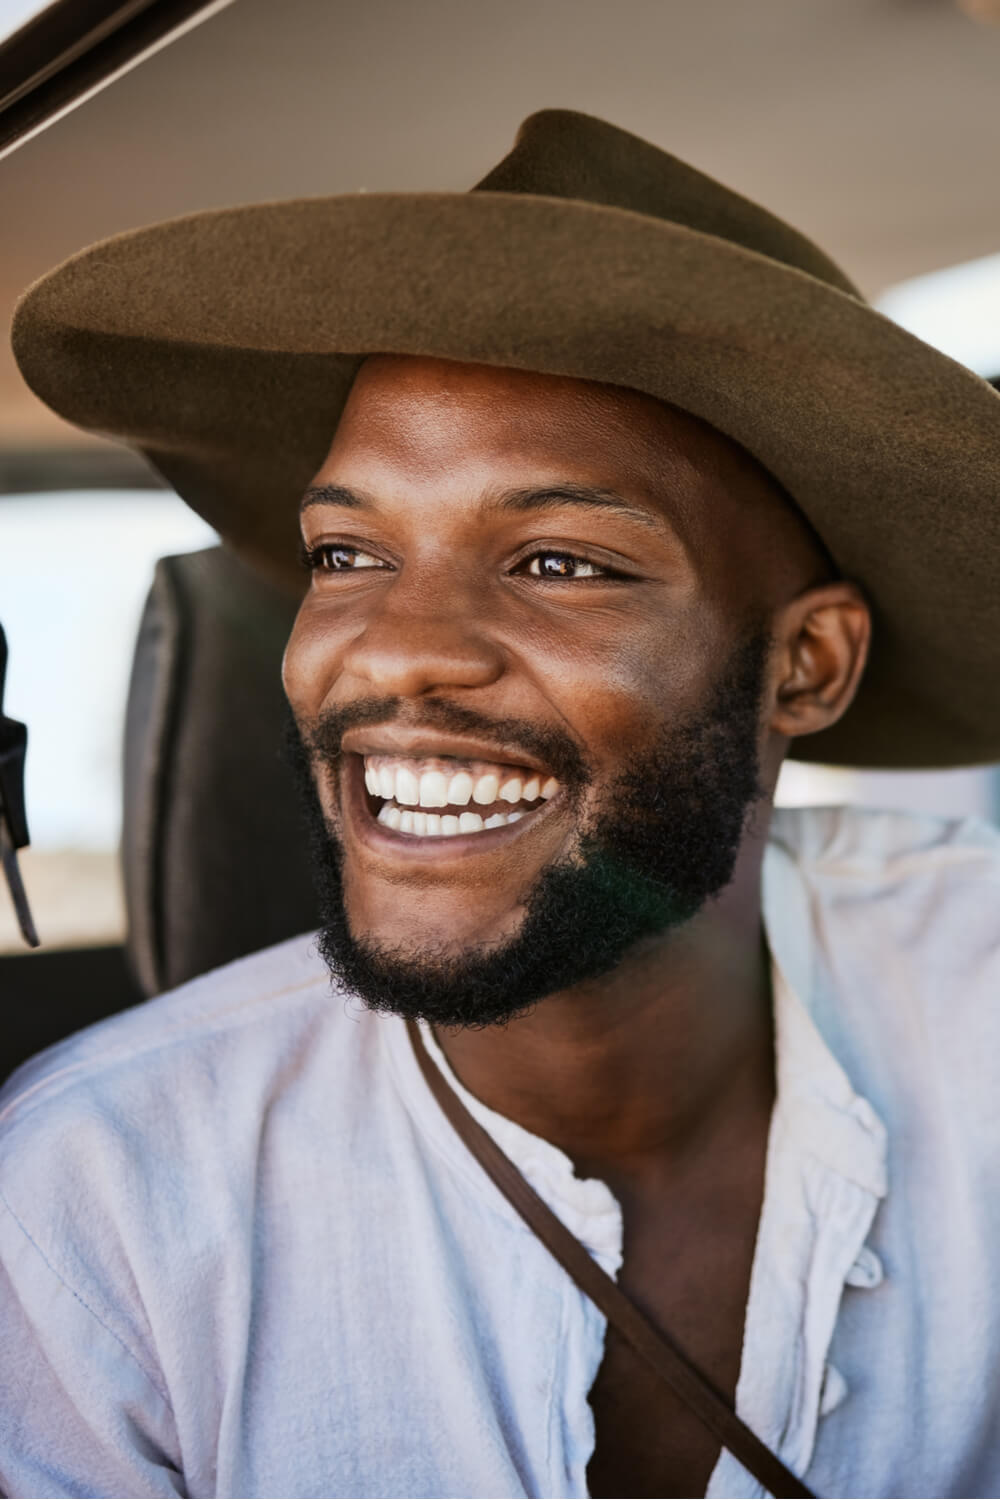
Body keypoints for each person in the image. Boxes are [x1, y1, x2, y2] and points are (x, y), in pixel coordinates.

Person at [2, 109, 1000, 1500]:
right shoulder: (90, 1208)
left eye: (562, 564)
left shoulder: (978, 1002)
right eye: (346, 551)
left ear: (804, 665)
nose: (399, 647)